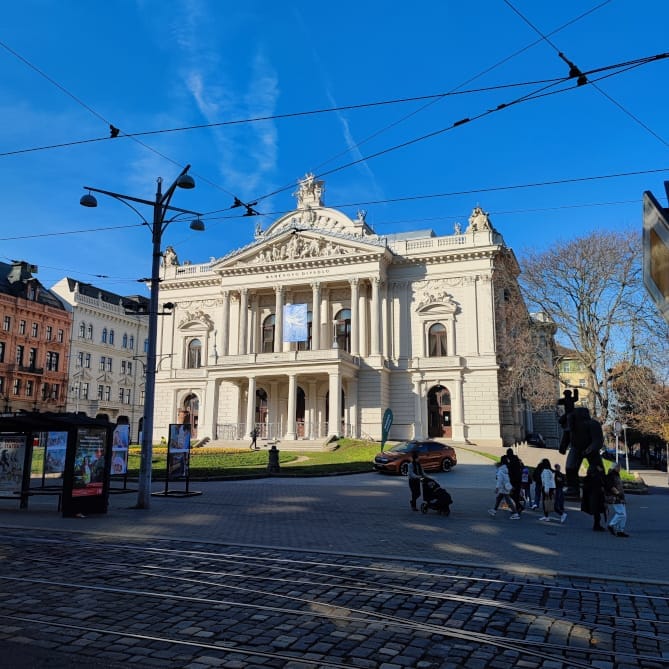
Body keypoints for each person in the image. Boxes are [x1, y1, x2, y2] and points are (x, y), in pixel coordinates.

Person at [605, 462, 629, 537]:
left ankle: (620, 531)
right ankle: (611, 525)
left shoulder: (616, 474)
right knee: (621, 513)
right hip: (615, 497)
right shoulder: (611, 475)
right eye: (619, 467)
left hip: (620, 497)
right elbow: (610, 486)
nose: (620, 469)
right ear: (615, 467)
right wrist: (618, 493)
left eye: (620, 467)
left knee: (624, 515)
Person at [581, 464, 607, 531]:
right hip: (596, 498)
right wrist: (601, 472)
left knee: (597, 514)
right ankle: (596, 526)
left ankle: (596, 526)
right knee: (597, 514)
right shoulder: (595, 477)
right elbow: (603, 481)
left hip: (593, 498)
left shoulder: (588, 478)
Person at [505, 447, 524, 514]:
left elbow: (511, 473)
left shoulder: (512, 462)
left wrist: (511, 483)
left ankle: (519, 507)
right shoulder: (516, 460)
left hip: (514, 481)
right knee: (515, 495)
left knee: (513, 495)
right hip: (518, 480)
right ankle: (518, 508)